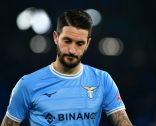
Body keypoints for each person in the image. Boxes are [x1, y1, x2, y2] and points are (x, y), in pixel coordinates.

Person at [1, 9, 133, 126]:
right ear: (56, 37)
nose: (72, 50)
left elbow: (122, 119)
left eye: (80, 43)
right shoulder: (27, 84)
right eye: (67, 41)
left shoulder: (103, 80)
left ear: (87, 43)